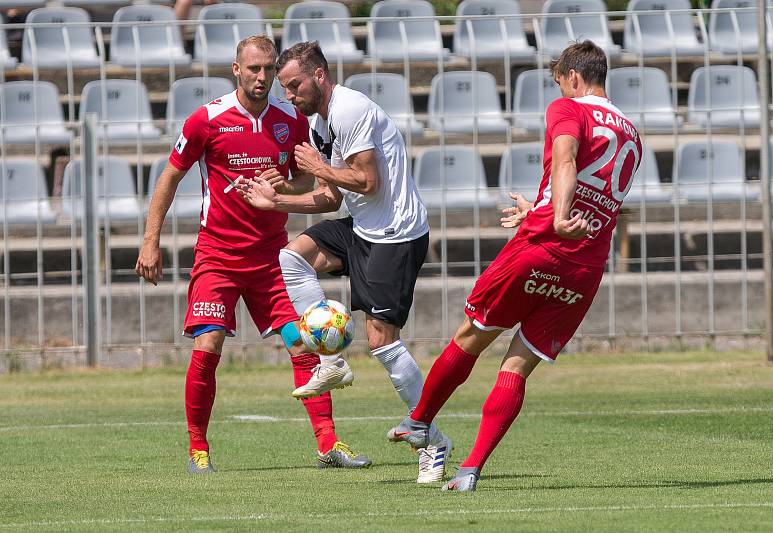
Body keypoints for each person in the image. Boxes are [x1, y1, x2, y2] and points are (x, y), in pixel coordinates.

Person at [386, 40, 643, 492]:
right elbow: (597, 196)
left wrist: (554, 219)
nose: (560, 88)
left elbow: (565, 160)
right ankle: (469, 471)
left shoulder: (569, 108)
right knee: (517, 367)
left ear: (574, 78)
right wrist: (543, 209)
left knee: (472, 335)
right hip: (585, 265)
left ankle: (421, 421)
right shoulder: (633, 134)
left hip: (542, 247)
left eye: (561, 81)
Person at [134, 35, 370, 474]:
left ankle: (329, 444)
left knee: (304, 344)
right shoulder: (207, 120)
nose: (262, 78)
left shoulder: (291, 119)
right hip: (218, 255)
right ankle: (198, 448)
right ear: (236, 69)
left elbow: (308, 182)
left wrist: (281, 185)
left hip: (270, 257)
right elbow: (169, 177)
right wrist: (151, 240)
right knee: (208, 344)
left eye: (268, 70)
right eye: (254, 69)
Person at [236, 41, 452, 484]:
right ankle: (330, 359)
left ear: (319, 76)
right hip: (361, 227)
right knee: (292, 257)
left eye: (294, 86)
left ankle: (432, 442)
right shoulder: (318, 123)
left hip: (396, 233)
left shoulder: (350, 110)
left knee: (381, 343)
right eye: (284, 88)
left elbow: (368, 183)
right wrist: (276, 200)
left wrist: (318, 165)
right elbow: (333, 197)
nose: (289, 96)